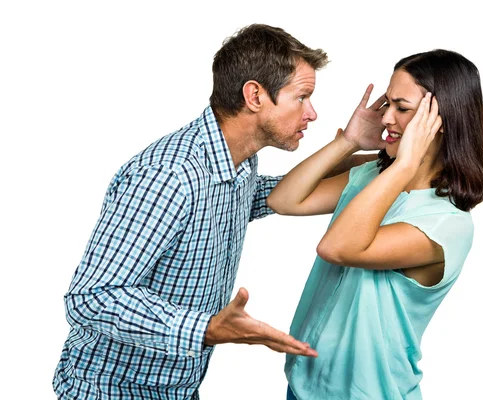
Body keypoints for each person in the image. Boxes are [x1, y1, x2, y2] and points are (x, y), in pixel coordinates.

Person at [52, 24, 373, 399]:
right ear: (254, 95)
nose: (313, 113)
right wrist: (205, 328)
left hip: (176, 390)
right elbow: (92, 297)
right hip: (112, 392)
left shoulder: (236, 165)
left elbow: (267, 195)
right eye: (302, 97)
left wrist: (367, 158)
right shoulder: (170, 176)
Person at [267, 49, 483, 399]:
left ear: (441, 119)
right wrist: (347, 142)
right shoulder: (372, 175)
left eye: (402, 108)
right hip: (305, 384)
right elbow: (283, 201)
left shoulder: (445, 224)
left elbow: (336, 248)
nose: (387, 118)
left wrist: (407, 165)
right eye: (387, 104)